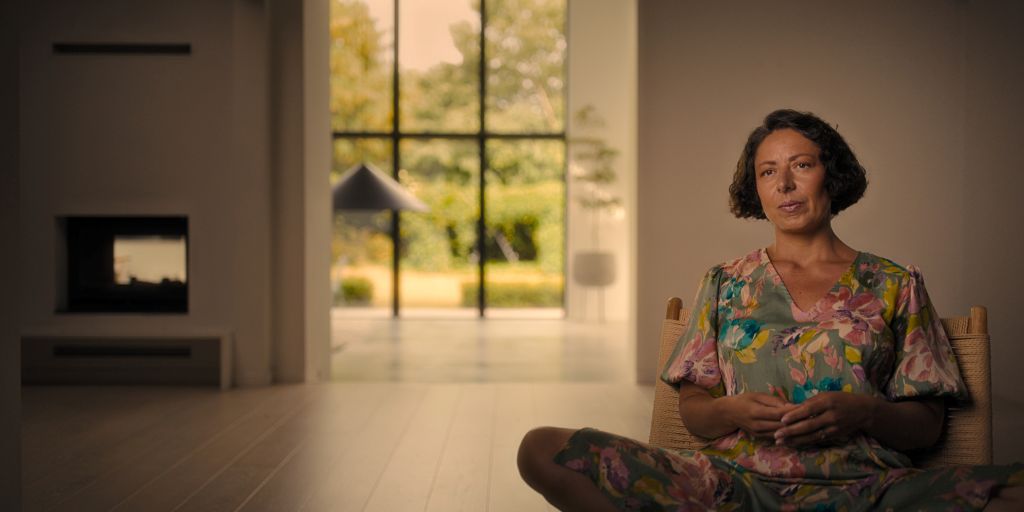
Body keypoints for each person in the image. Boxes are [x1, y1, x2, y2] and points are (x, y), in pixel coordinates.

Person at [517, 109, 1024, 511]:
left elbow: (928, 426)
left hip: (866, 489)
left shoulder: (896, 283)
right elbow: (694, 410)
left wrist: (866, 413)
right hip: (731, 486)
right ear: (756, 189)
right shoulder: (724, 283)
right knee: (541, 449)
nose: (784, 184)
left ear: (832, 176)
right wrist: (728, 411)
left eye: (801, 165)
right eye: (767, 172)